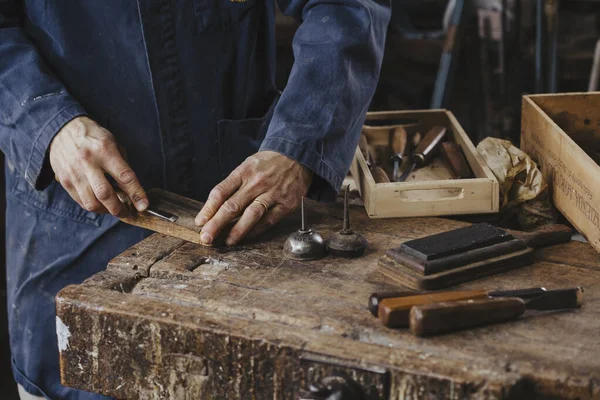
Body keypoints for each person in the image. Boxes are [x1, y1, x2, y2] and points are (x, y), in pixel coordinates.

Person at [0, 0, 390, 398]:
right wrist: (48, 123)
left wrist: (300, 145)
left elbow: (347, 7)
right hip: (71, 231)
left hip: (241, 223)